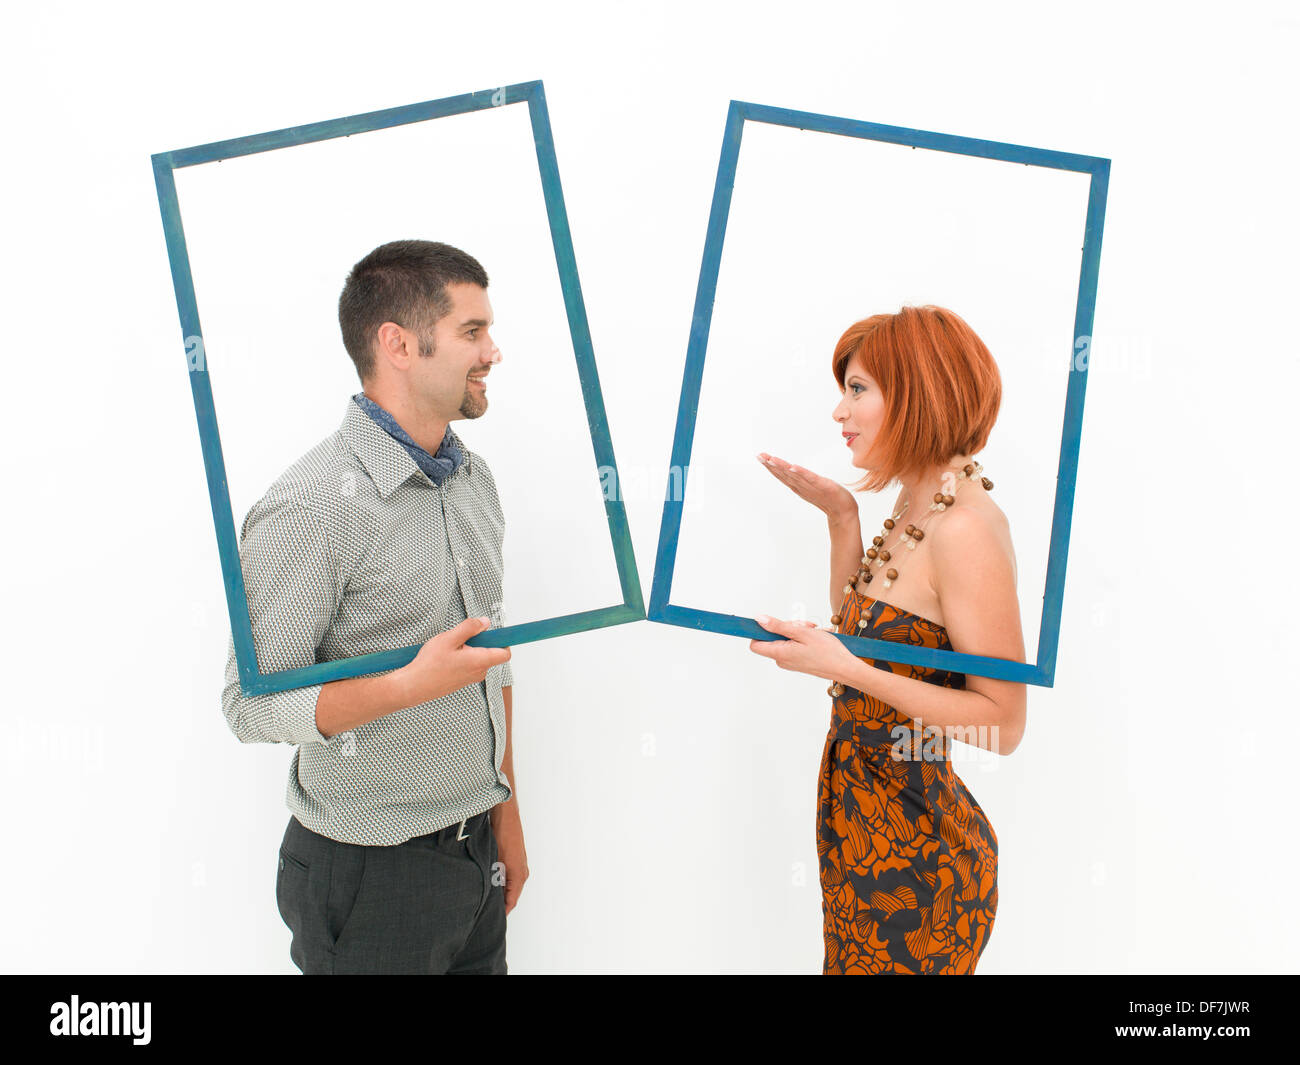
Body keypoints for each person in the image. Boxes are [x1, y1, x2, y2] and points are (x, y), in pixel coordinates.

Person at [220, 239, 526, 974]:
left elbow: (493, 670)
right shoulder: (313, 506)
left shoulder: (473, 481)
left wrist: (506, 822)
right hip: (367, 878)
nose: (495, 351)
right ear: (397, 343)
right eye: (472, 331)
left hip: (475, 851)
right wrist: (403, 686)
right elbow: (247, 704)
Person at [749, 304, 1026, 975]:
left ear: (918, 391)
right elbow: (868, 644)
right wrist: (844, 519)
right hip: (865, 829)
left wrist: (840, 666)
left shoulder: (964, 529)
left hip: (918, 865)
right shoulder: (915, 504)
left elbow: (1003, 724)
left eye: (858, 389)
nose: (840, 413)